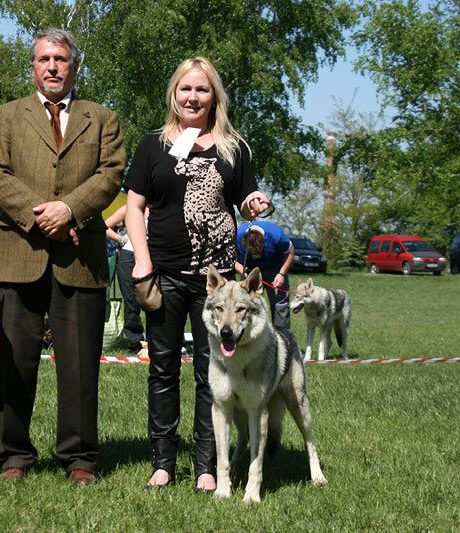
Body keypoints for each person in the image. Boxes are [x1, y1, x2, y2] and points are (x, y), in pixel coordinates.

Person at [0, 28, 125, 485]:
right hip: (20, 252)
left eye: (61, 59)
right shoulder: (5, 117)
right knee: (15, 360)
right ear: (32, 66)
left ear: (74, 67)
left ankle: (80, 458)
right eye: (44, 59)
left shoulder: (103, 118)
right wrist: (39, 214)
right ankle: (13, 455)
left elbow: (111, 174)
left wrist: (71, 210)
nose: (52, 67)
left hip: (80, 257)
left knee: (80, 365)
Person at [124, 56, 272, 490]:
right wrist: (142, 261)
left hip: (220, 282)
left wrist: (255, 203)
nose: (193, 97)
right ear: (174, 93)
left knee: (214, 375)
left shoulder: (234, 146)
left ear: (215, 97)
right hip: (164, 273)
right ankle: (163, 463)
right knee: (163, 370)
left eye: (202, 90)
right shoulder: (153, 144)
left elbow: (245, 200)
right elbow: (134, 206)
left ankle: (208, 467)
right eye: (185, 89)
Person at [235, 221, 295, 329]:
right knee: (249, 303)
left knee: (280, 304)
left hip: (275, 269)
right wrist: (241, 269)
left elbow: (290, 252)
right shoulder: (236, 236)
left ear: (264, 240)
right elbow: (229, 258)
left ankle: (283, 337)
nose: (256, 256)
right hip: (250, 271)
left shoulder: (276, 236)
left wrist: (281, 274)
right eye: (252, 253)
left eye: (258, 252)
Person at [105, 203, 147, 355]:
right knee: (131, 300)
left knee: (160, 299)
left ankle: (161, 340)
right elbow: (104, 226)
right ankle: (135, 342)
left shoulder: (161, 207)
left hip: (155, 255)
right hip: (128, 257)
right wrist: (121, 239)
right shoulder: (128, 208)